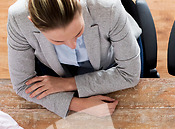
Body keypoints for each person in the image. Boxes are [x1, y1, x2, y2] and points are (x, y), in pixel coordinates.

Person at [7, 0, 142, 118]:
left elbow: (129, 74)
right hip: (55, 69)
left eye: (78, 32)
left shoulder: (108, 7)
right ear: (33, 23)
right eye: (58, 41)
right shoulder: (18, 18)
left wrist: (67, 84)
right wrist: (79, 105)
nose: (72, 46)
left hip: (108, 63)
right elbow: (22, 84)